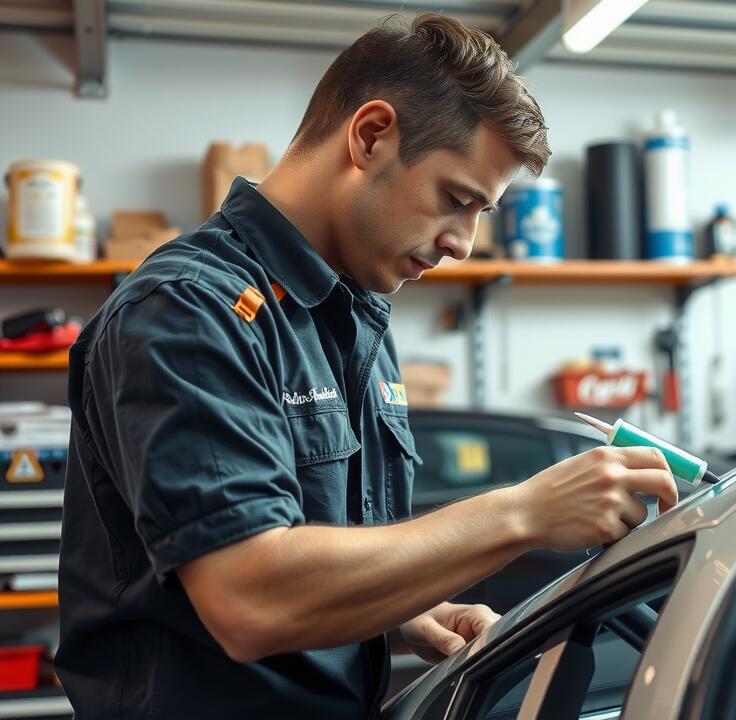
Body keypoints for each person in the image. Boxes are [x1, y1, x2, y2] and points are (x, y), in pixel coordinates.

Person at [55, 13, 678, 719]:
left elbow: (308, 535)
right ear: (371, 134)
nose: (463, 245)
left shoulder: (355, 314)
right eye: (457, 199)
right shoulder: (190, 310)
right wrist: (525, 512)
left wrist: (402, 609)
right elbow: (246, 596)